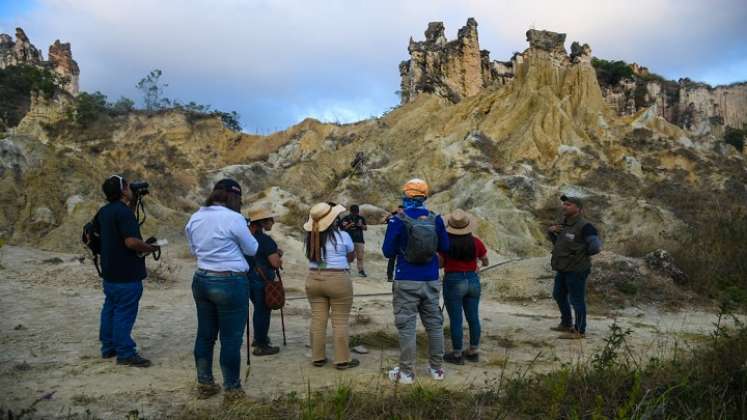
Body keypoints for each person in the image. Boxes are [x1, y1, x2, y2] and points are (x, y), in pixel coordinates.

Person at [185, 179, 258, 401]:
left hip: (202, 278)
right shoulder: (234, 218)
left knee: (205, 335)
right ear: (234, 197)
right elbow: (252, 249)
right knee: (230, 339)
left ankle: (205, 384)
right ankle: (232, 389)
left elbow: (193, 248)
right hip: (229, 281)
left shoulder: (196, 216)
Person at [382, 179, 449, 383]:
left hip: (406, 279)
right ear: (425, 196)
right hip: (430, 279)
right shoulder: (435, 219)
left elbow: (387, 251)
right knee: (434, 326)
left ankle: (406, 373)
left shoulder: (398, 220)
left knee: (407, 327)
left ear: (406, 196)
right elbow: (445, 247)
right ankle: (437, 369)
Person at [98, 175, 159, 368]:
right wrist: (150, 248)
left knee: (110, 308)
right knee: (124, 312)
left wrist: (133, 202)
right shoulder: (123, 213)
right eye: (127, 186)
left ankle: (108, 347)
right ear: (124, 190)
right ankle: (125, 353)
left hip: (109, 272)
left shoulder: (105, 211)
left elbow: (120, 225)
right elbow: (131, 241)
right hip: (127, 274)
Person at [304, 202, 360, 370]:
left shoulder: (310, 237)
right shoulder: (343, 236)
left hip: (313, 278)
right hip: (337, 278)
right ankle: (342, 360)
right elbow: (351, 258)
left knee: (318, 320)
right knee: (340, 321)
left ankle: (318, 357)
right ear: (333, 219)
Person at [547, 194, 602, 339]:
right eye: (564, 204)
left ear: (578, 209)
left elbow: (595, 247)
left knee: (576, 300)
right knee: (558, 294)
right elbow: (559, 244)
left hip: (577, 269)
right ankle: (566, 323)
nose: (564, 206)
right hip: (563, 268)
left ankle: (579, 330)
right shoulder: (564, 224)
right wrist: (551, 233)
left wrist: (581, 255)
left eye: (568, 204)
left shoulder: (585, 226)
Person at [438, 209, 489, 365]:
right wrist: (477, 265)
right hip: (473, 280)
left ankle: (457, 354)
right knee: (473, 317)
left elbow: (440, 264)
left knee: (456, 319)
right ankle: (473, 351)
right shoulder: (476, 242)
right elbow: (486, 261)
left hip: (454, 280)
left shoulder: (445, 242)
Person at [245, 208, 283, 356]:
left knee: (258, 309)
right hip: (262, 280)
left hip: (247, 278)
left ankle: (258, 338)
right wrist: (279, 256)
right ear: (262, 222)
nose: (272, 222)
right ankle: (261, 345)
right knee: (263, 311)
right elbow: (275, 263)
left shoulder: (246, 238)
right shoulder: (266, 241)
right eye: (270, 219)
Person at [340, 204, 367, 277]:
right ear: (351, 212)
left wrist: (361, 225)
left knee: (360, 257)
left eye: (357, 212)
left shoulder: (361, 218)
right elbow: (342, 229)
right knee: (348, 256)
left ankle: (361, 270)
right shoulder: (346, 218)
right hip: (349, 240)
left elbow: (365, 228)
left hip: (359, 240)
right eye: (354, 212)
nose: (356, 213)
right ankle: (347, 270)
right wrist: (350, 225)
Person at [385, 206, 405, 282]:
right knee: (392, 259)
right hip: (393, 242)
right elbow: (386, 220)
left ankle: (400, 275)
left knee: (401, 259)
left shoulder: (405, 218)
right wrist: (392, 213)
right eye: (399, 209)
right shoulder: (393, 218)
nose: (400, 211)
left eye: (401, 209)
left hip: (400, 242)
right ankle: (389, 276)